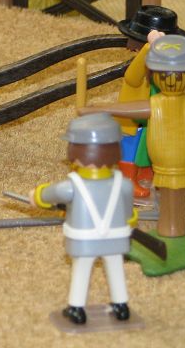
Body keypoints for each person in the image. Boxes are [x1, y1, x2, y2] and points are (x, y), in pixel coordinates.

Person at [81, 36, 185, 237]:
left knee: (174, 193)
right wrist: (94, 110)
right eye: (164, 75)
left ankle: (173, 229)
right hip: (163, 160)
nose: (172, 80)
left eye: (178, 75)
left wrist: (93, 109)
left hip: (180, 160)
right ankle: (171, 228)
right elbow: (126, 108)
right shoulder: (158, 103)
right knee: (169, 192)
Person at [30, 113, 137, 325]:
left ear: (76, 152)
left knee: (82, 269)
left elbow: (49, 195)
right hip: (115, 238)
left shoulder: (70, 186)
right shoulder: (124, 184)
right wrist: (129, 223)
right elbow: (129, 215)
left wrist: (37, 195)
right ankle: (121, 306)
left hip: (85, 240)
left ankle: (77, 308)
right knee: (115, 268)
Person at [114, 6, 185, 198]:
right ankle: (127, 178)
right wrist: (149, 49)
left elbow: (180, 57)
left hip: (156, 114)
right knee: (131, 145)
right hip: (134, 116)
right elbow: (132, 78)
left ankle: (146, 172)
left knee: (149, 144)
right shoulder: (143, 59)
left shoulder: (162, 63)